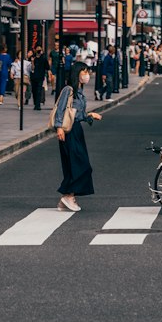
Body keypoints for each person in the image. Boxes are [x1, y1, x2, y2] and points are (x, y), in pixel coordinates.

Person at [53, 63, 102, 212]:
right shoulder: (69, 90)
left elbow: (78, 114)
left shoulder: (79, 91)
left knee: (75, 163)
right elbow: (60, 109)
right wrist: (59, 127)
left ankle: (67, 198)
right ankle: (68, 196)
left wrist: (90, 115)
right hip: (69, 131)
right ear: (77, 73)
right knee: (80, 164)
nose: (87, 75)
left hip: (77, 130)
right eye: (84, 71)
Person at [30, 46, 50, 111]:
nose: (38, 51)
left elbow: (47, 67)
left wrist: (48, 75)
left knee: (39, 90)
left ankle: (37, 105)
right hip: (33, 76)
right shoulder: (32, 58)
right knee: (34, 90)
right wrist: (32, 61)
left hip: (40, 76)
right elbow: (31, 68)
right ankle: (36, 103)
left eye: (40, 50)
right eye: (37, 50)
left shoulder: (43, 59)